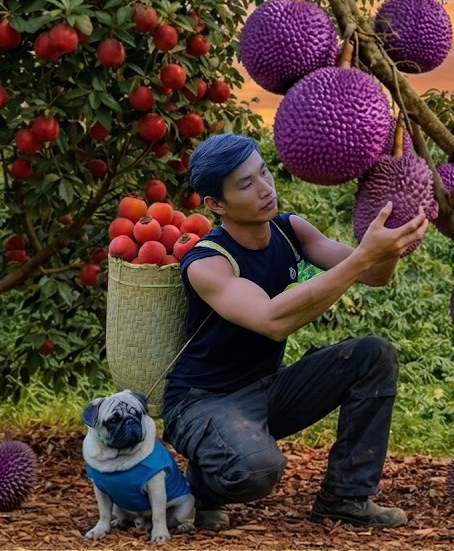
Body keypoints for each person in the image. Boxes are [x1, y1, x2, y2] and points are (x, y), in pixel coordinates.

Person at [160, 133, 429, 530]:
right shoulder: (206, 262)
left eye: (264, 173)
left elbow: (372, 273)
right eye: (246, 185)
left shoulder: (290, 230)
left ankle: (345, 497)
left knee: (374, 355)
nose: (266, 189)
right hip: (201, 403)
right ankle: (201, 487)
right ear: (217, 204)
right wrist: (364, 258)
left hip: (265, 391)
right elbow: (272, 321)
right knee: (256, 470)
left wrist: (388, 245)